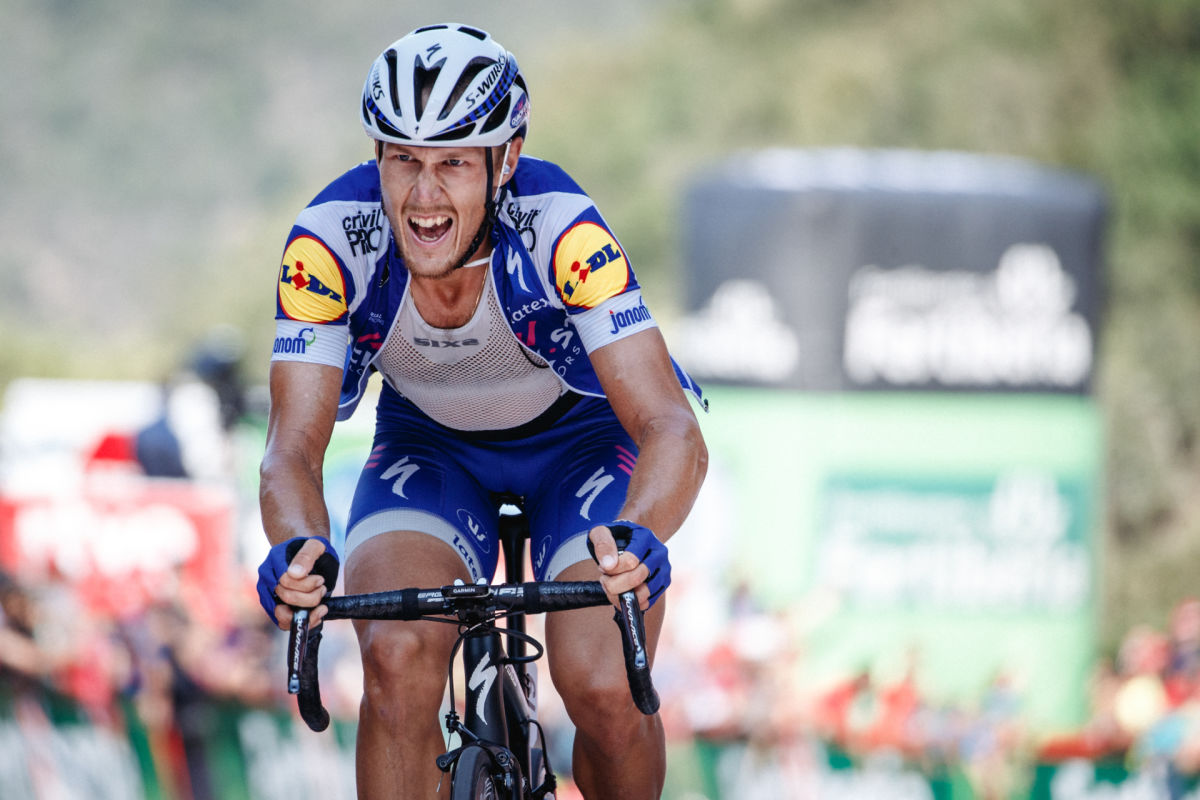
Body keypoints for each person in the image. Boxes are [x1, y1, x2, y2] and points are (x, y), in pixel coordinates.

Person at [255, 22, 708, 800]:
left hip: (582, 442)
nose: (424, 196)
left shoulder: (563, 227)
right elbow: (290, 447)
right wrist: (300, 547)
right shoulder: (328, 243)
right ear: (377, 157)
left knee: (601, 684)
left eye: (454, 163)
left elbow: (671, 425)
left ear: (508, 159)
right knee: (394, 658)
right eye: (403, 160)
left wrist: (642, 532)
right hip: (430, 449)